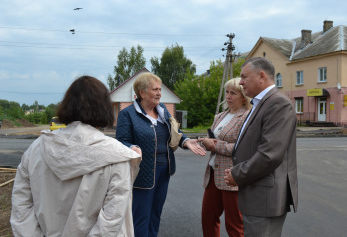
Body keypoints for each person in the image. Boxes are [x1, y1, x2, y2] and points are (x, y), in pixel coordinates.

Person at [11, 76, 141, 237]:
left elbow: (21, 207)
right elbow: (112, 220)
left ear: (67, 105)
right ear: (104, 108)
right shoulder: (117, 156)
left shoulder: (36, 149)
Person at [116, 72, 206, 237]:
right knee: (141, 215)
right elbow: (121, 141)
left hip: (164, 169)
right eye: (155, 89)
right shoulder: (127, 114)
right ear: (142, 92)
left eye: (160, 89)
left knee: (156, 212)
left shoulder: (162, 109)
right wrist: (133, 147)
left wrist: (186, 141)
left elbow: (175, 132)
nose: (159, 93)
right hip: (142, 172)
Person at [224, 57, 298, 237]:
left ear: (261, 76)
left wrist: (237, 174)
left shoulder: (277, 103)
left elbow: (269, 154)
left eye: (244, 77)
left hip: (265, 199)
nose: (240, 82)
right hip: (258, 195)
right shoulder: (262, 103)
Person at [201, 77, 251, 237]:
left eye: (233, 93)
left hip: (232, 175)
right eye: (227, 92)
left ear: (243, 96)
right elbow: (212, 138)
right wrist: (204, 142)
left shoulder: (247, 117)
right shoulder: (220, 116)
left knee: (234, 224)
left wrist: (215, 145)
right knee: (207, 218)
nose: (228, 96)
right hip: (213, 174)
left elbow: (243, 148)